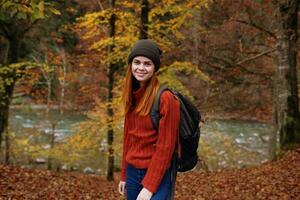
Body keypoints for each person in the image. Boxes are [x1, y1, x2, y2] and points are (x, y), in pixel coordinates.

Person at [118, 39, 180, 200]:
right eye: (136, 62)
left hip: (157, 173)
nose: (140, 68)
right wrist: (124, 174)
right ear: (130, 64)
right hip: (132, 172)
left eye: (147, 64)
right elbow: (128, 138)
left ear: (154, 68)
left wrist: (149, 187)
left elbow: (166, 147)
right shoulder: (131, 95)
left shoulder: (166, 98)